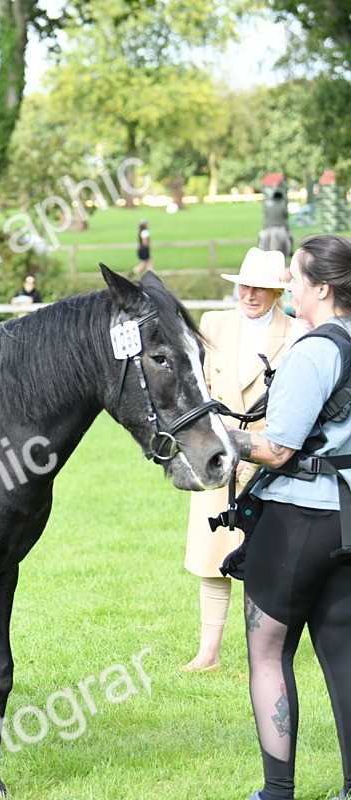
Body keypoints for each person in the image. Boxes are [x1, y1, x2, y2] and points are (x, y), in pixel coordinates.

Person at [225, 234, 351, 800]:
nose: (290, 287)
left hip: (298, 519)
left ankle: (277, 791)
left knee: (269, 652)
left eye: (296, 278)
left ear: (322, 288)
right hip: (347, 520)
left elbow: (277, 448)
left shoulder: (316, 349)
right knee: (344, 654)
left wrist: (218, 438)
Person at [181, 248, 301, 673]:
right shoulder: (214, 324)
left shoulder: (297, 333)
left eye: (259, 288)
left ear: (276, 293)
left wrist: (258, 450)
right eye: (243, 285)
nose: (248, 294)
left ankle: (263, 651)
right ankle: (208, 652)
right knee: (211, 555)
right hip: (216, 455)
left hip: (270, 455)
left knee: (264, 557)